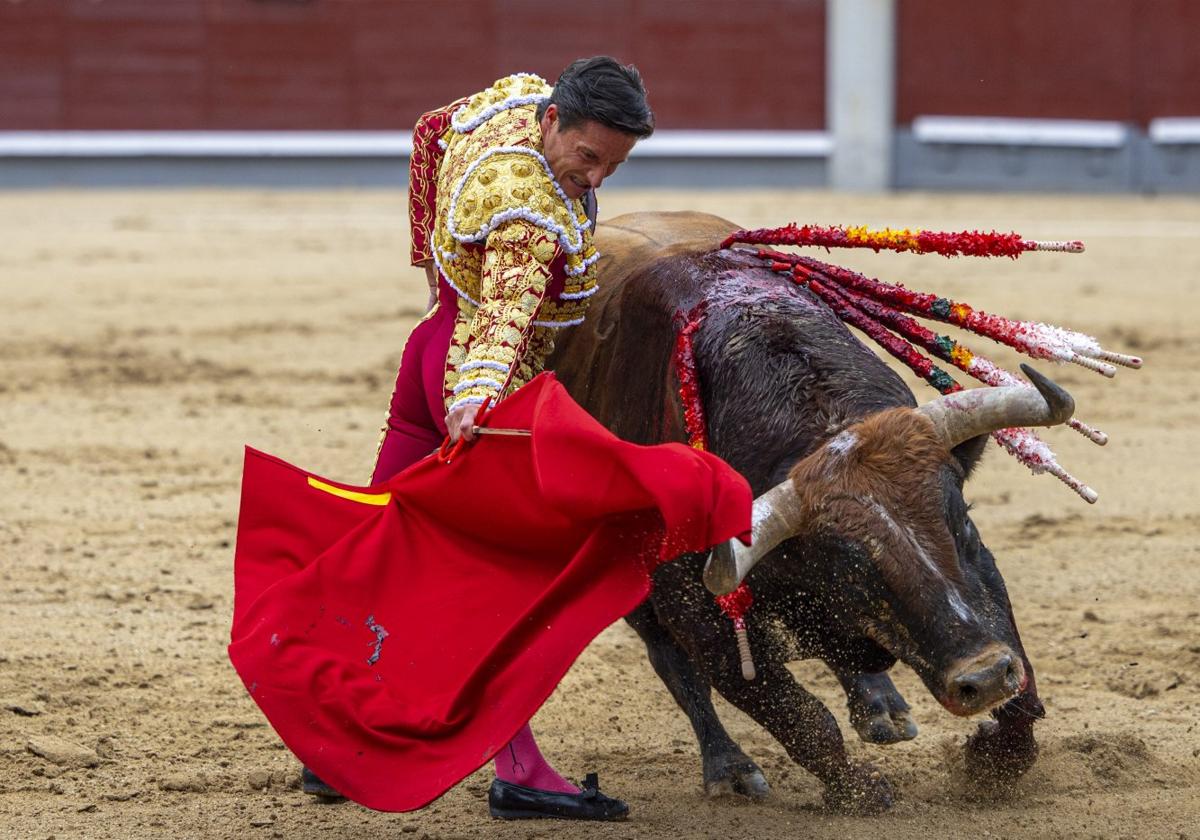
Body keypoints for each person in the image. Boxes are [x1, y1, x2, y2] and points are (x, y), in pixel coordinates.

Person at [300, 56, 654, 821]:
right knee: (503, 585)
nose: (595, 180)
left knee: (383, 545)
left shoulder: (514, 104)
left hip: (426, 352)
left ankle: (329, 743)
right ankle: (520, 769)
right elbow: (504, 319)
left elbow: (431, 131)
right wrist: (478, 397)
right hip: (476, 389)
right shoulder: (530, 211)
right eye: (589, 158)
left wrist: (430, 258)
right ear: (555, 122)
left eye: (613, 166)